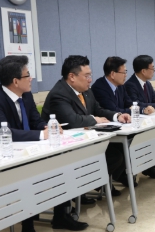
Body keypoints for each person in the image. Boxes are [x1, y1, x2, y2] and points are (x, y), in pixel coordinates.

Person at [0, 55, 57, 232]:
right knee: (27, 180)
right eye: (27, 75)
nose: (31, 78)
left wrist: (48, 127)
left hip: (24, 152)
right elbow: (5, 132)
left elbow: (35, 121)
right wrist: (41, 134)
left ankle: (62, 214)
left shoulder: (26, 95)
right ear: (15, 81)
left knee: (57, 167)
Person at [42, 55, 130, 209]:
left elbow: (98, 109)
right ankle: (80, 190)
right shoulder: (59, 93)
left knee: (116, 154)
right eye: (87, 76)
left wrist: (117, 116)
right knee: (112, 156)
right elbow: (72, 120)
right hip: (64, 148)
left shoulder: (86, 91)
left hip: (84, 141)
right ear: (72, 77)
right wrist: (95, 119)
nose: (90, 80)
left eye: (90, 75)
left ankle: (86, 186)